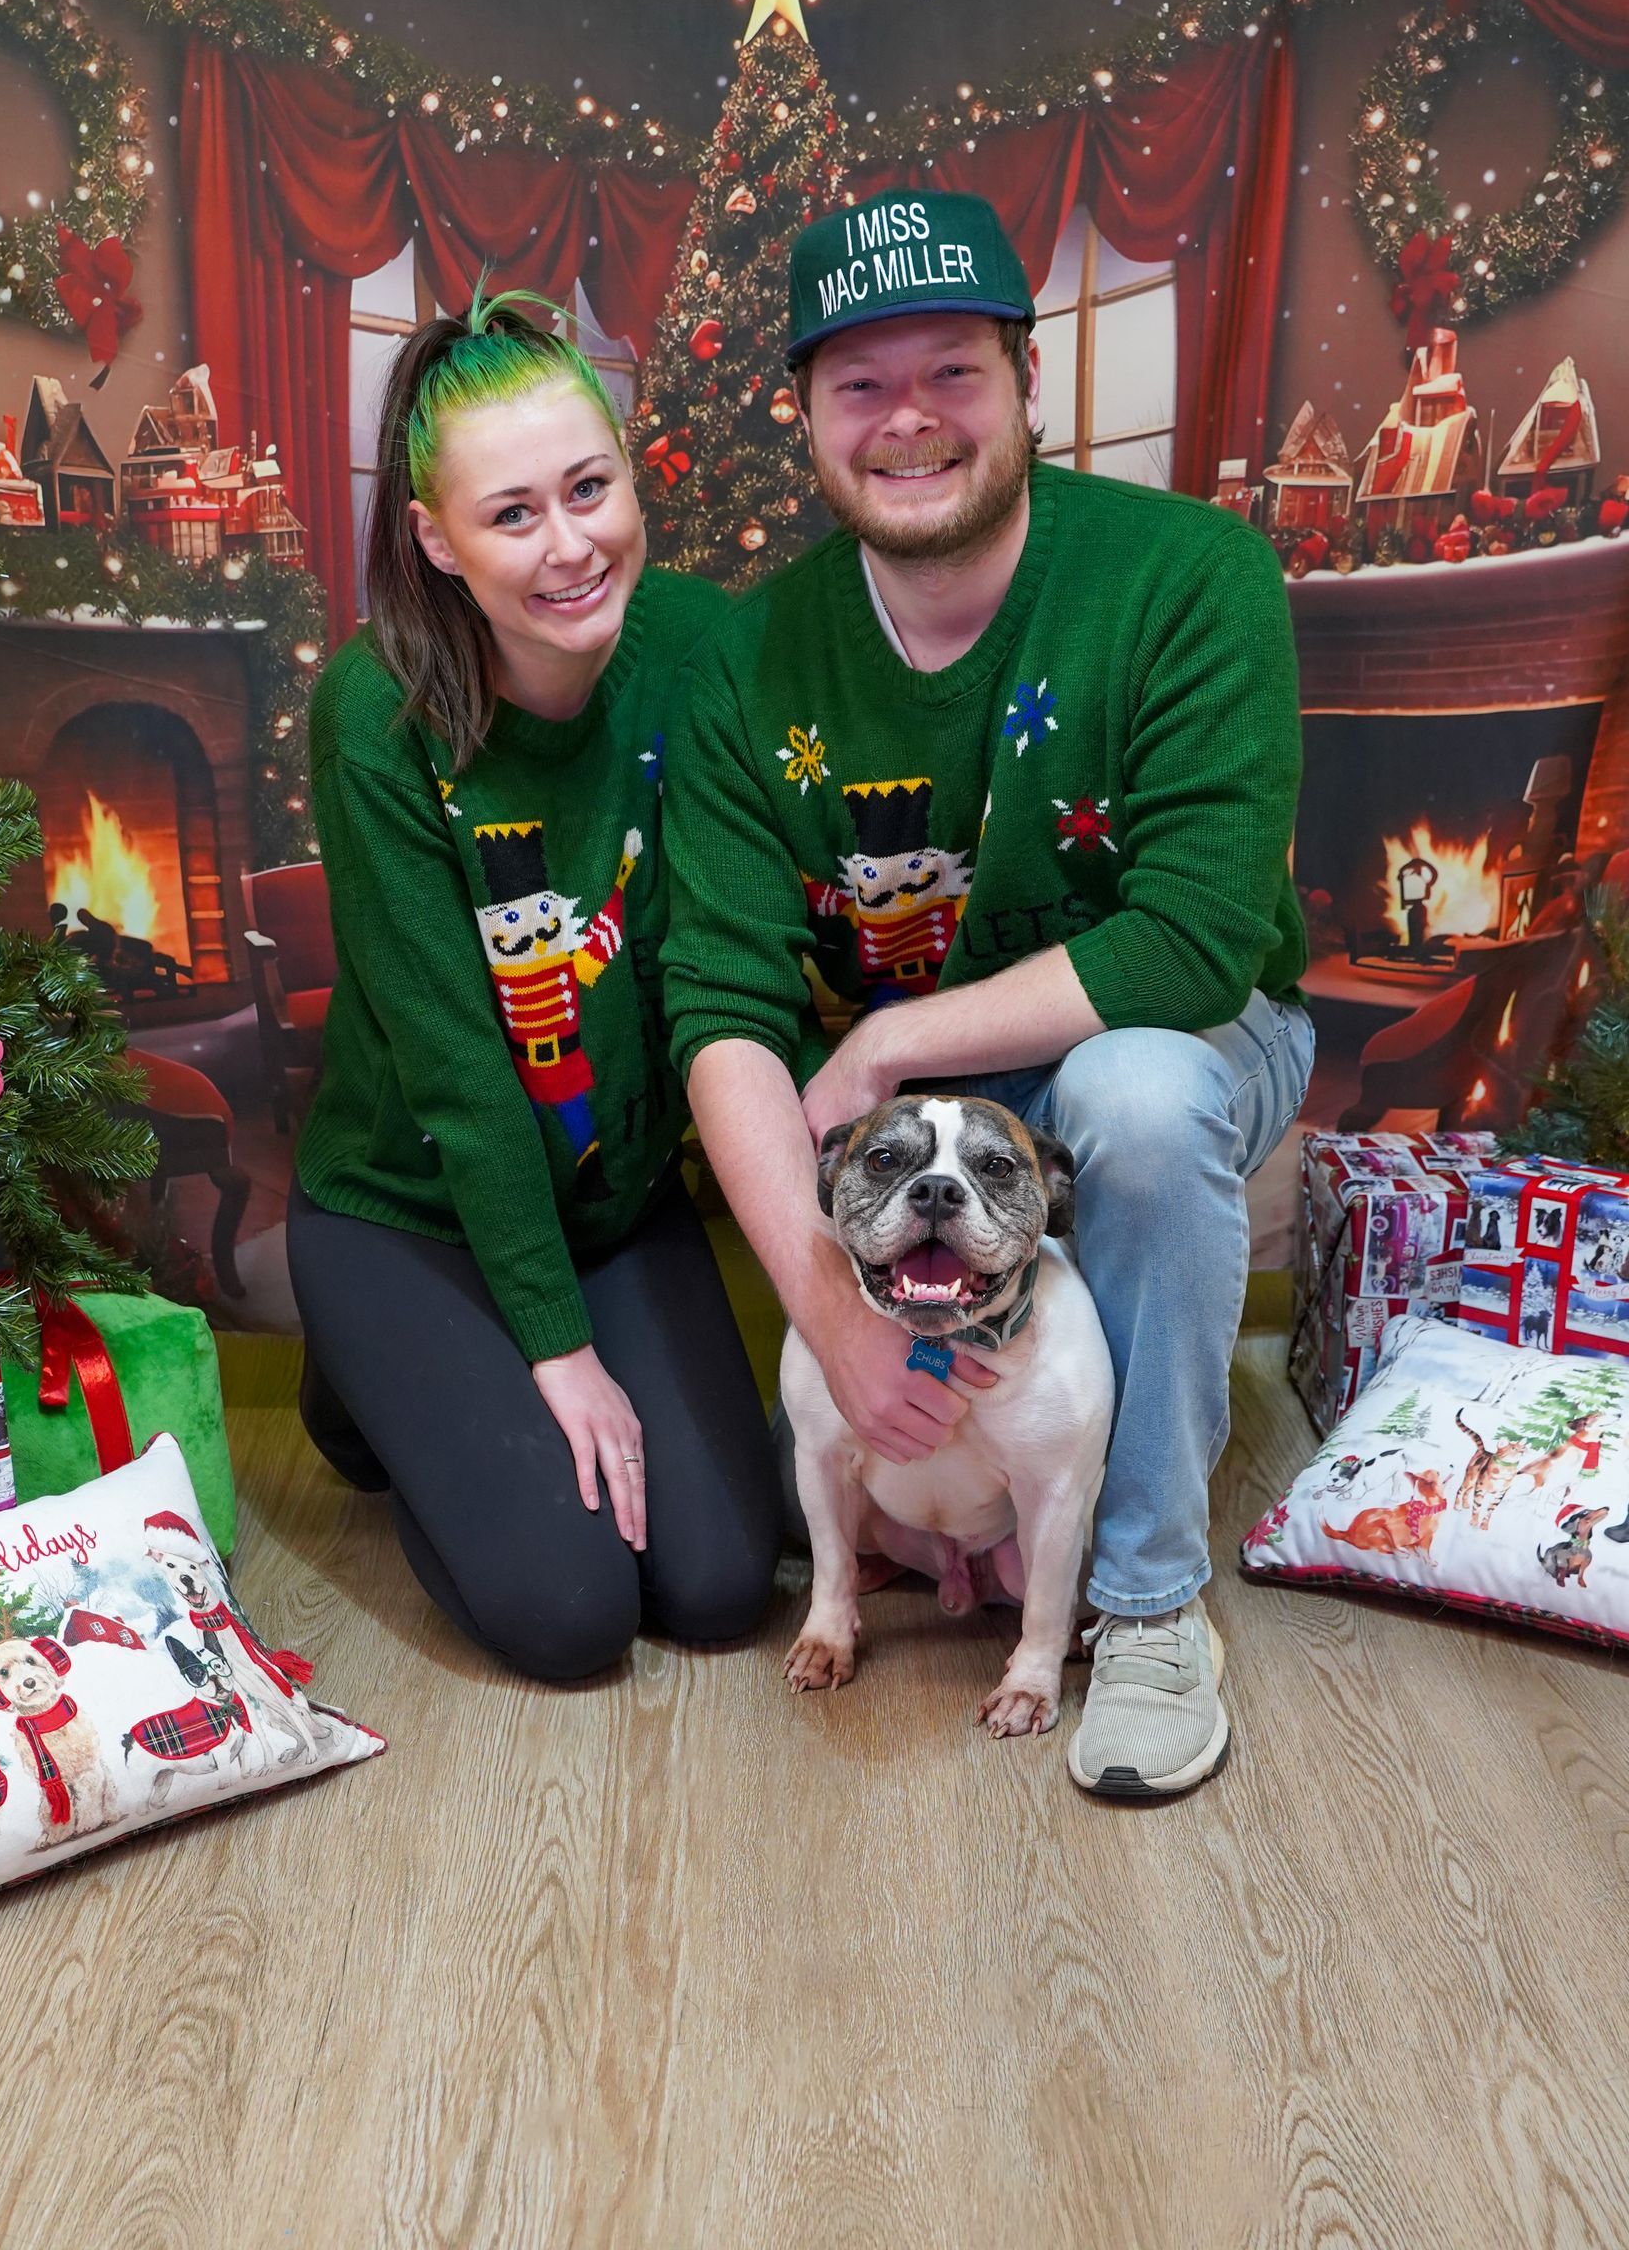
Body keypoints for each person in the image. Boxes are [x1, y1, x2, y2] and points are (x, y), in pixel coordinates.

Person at [662, 190, 1313, 1797]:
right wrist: (828, 1307)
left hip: (1175, 1037)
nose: (908, 423)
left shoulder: (1188, 578)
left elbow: (1190, 943)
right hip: (926, 1124)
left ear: (1029, 384)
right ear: (806, 417)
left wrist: (890, 1036)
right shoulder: (754, 663)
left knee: (1136, 1101)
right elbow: (724, 1008)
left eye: (951, 372)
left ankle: (1150, 1600)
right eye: (859, 387)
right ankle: (938, 1517)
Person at [289, 287, 780, 1682]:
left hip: (613, 1206)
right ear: (437, 541)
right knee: (574, 1619)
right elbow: (455, 1066)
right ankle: (369, 1381)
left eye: (590, 489)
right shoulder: (377, 716)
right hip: (414, 1205)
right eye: (513, 515)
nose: (571, 546)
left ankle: (443, 1387)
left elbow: (731, 968)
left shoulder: (699, 649)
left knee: (719, 1584)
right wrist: (558, 1356)